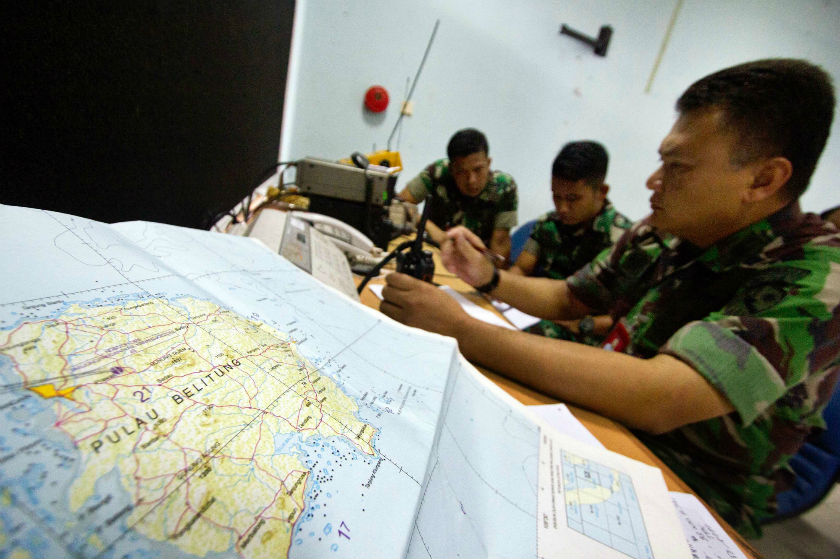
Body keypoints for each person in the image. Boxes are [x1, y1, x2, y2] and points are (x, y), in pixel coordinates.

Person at [380, 59, 840, 537]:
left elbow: (659, 395)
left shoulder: (817, 276)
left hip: (691, 494)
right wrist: (489, 279)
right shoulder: (672, 230)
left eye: (677, 165)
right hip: (599, 428)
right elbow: (568, 298)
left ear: (764, 180)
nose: (653, 181)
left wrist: (460, 329)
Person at [510, 141, 632, 344]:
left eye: (573, 199)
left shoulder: (625, 241)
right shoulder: (547, 224)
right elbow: (521, 269)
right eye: (556, 197)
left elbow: (626, 320)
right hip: (536, 313)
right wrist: (504, 290)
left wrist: (583, 324)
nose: (562, 208)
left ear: (601, 191)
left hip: (584, 337)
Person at [396, 128, 518, 262]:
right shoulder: (438, 172)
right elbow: (400, 204)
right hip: (434, 256)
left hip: (477, 265)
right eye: (462, 172)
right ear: (451, 169)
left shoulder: (504, 187)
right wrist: (433, 230)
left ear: (488, 163)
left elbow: (500, 249)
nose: (472, 180)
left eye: (478, 170)